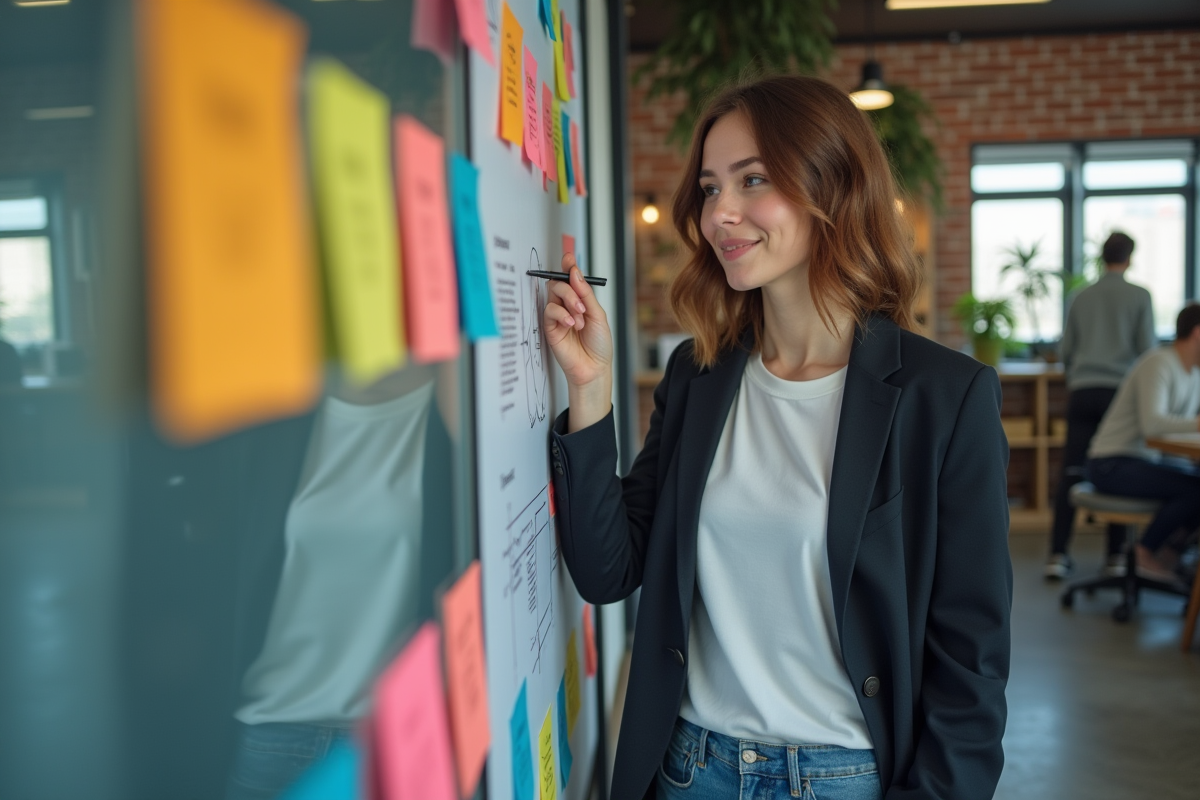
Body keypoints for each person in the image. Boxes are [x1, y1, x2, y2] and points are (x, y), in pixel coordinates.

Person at [543, 76, 1011, 800]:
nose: (720, 213)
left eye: (752, 180)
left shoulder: (943, 399)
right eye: (708, 188)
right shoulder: (698, 375)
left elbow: (970, 660)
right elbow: (609, 570)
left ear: (833, 187)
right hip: (690, 768)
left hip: (846, 778)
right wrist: (590, 389)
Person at [1045, 232, 1156, 579]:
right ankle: (1115, 556)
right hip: (1119, 395)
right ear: (1130, 257)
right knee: (1117, 465)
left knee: (1072, 470)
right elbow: (1147, 351)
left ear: (1102, 257)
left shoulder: (1080, 296)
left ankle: (1057, 554)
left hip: (1082, 391)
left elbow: (1066, 351)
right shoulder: (1140, 296)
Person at [1086, 303, 1200, 582]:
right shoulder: (1158, 362)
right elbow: (1154, 425)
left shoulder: (1194, 374)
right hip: (1111, 463)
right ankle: (1145, 551)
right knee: (1195, 488)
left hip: (1145, 463)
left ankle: (1170, 554)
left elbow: (1180, 431)